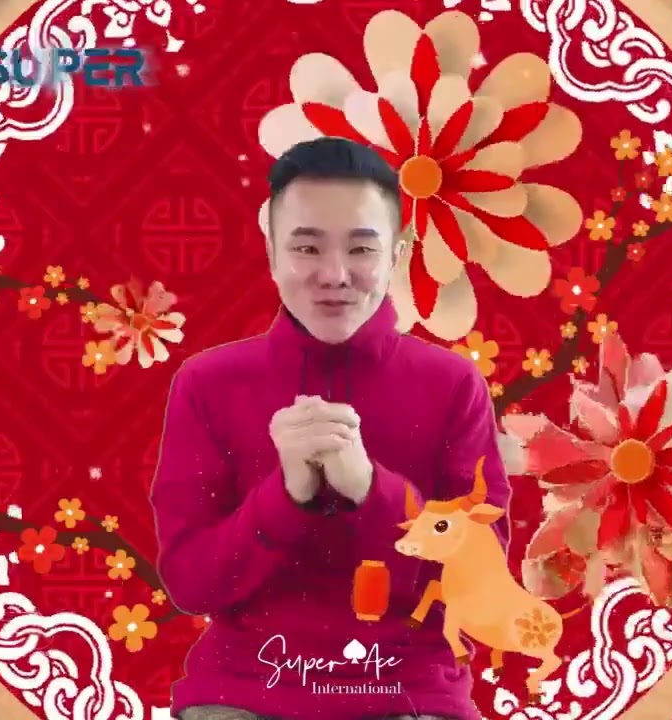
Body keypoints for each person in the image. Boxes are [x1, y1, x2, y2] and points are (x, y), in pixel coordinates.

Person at [149, 137, 511, 720]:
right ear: (272, 254)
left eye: (361, 249)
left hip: (406, 688)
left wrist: (371, 488)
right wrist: (285, 497)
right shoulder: (207, 383)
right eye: (307, 247)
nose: (334, 275)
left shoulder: (453, 384)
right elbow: (190, 585)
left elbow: (479, 583)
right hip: (246, 686)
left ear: (396, 255)